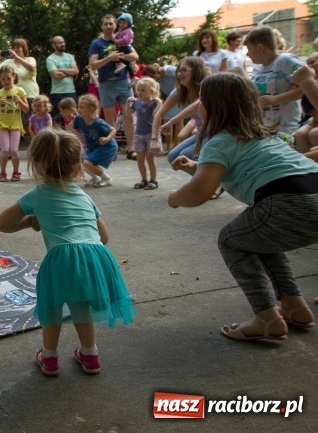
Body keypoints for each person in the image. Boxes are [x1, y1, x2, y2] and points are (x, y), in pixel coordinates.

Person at [168, 72, 318, 341]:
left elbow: (199, 192)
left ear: (212, 106)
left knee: (230, 240)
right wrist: (195, 166)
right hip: (310, 192)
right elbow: (231, 171)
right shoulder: (263, 136)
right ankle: (294, 306)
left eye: (201, 99)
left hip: (285, 201)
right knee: (257, 237)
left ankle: (267, 317)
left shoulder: (220, 141)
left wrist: (175, 198)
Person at [0, 129, 135, 376]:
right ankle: (90, 355)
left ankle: (49, 358)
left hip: (61, 259)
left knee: (52, 308)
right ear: (78, 166)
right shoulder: (84, 196)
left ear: (37, 165)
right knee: (81, 306)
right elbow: (104, 237)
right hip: (95, 256)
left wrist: (28, 222)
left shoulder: (36, 195)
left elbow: (1, 224)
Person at [245, 26, 311, 141]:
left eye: (249, 49)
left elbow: (306, 88)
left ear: (260, 48)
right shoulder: (257, 67)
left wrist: (276, 99)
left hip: (285, 126)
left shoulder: (286, 62)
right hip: (264, 124)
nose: (247, 54)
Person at [88, 14, 137, 160]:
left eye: (111, 24)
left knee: (128, 114)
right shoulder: (97, 44)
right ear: (102, 26)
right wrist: (109, 58)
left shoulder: (122, 39)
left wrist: (121, 56)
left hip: (123, 81)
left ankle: (131, 149)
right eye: (106, 24)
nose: (109, 26)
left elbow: (135, 56)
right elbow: (93, 65)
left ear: (115, 25)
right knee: (109, 116)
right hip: (106, 82)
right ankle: (112, 148)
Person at [150, 57, 208, 171]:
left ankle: (209, 179)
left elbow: (197, 104)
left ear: (197, 71)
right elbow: (159, 114)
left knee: (186, 155)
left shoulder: (207, 87)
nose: (180, 74)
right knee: (173, 156)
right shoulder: (179, 91)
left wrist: (172, 121)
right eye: (179, 71)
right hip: (201, 133)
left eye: (184, 70)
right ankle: (209, 180)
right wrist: (154, 139)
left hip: (216, 133)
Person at [0, 65, 29, 182]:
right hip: (2, 124)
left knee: (14, 150)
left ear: (14, 77)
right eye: (3, 79)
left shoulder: (20, 91)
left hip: (16, 124)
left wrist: (19, 101)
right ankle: (2, 173)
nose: (6, 81)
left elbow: (26, 109)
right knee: (5, 150)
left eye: (8, 78)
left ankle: (16, 172)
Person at [71, 94, 118, 188]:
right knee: (79, 160)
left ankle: (106, 179)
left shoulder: (98, 123)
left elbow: (113, 130)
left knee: (87, 162)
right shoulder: (78, 119)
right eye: (78, 106)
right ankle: (95, 178)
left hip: (106, 146)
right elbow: (73, 129)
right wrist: (70, 128)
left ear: (91, 109)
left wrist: (107, 139)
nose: (79, 109)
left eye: (82, 107)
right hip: (93, 146)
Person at [126, 78, 163, 190]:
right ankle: (144, 179)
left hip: (150, 134)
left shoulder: (153, 103)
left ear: (151, 91)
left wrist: (159, 104)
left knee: (150, 158)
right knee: (140, 158)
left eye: (143, 90)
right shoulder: (137, 102)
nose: (139, 92)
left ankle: (153, 180)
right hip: (139, 134)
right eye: (138, 90)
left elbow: (156, 115)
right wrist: (128, 102)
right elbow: (128, 113)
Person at [45, 36, 79, 124]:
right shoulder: (50, 59)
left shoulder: (70, 57)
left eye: (63, 42)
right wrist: (70, 72)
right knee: (58, 118)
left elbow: (76, 71)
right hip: (57, 93)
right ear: (53, 45)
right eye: (60, 43)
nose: (63, 44)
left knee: (73, 116)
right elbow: (56, 75)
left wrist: (62, 69)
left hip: (71, 91)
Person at [112, 13, 136, 77]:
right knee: (127, 63)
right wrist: (113, 36)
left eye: (124, 22)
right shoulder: (121, 30)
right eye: (120, 22)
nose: (122, 24)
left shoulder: (128, 31)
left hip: (125, 47)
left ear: (129, 23)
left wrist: (116, 41)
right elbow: (117, 34)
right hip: (122, 46)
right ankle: (133, 76)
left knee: (115, 53)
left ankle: (120, 63)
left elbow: (125, 40)